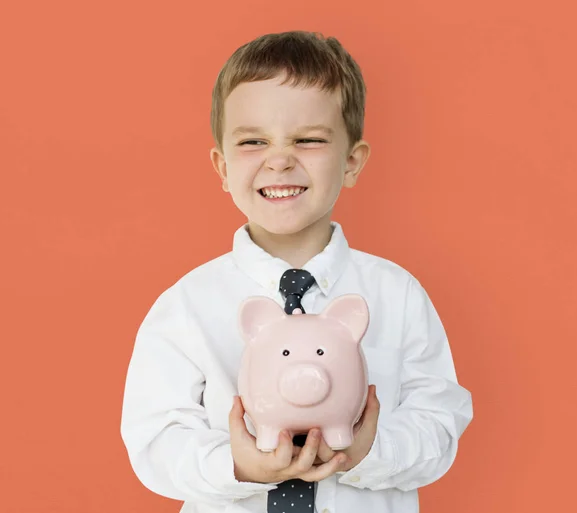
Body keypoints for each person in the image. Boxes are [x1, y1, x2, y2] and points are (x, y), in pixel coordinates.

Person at [120, 30, 473, 513]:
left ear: (351, 162)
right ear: (222, 167)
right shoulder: (186, 306)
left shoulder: (398, 295)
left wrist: (367, 452)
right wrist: (238, 466)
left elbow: (439, 422)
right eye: (253, 141)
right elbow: (154, 438)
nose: (279, 159)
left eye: (307, 140)